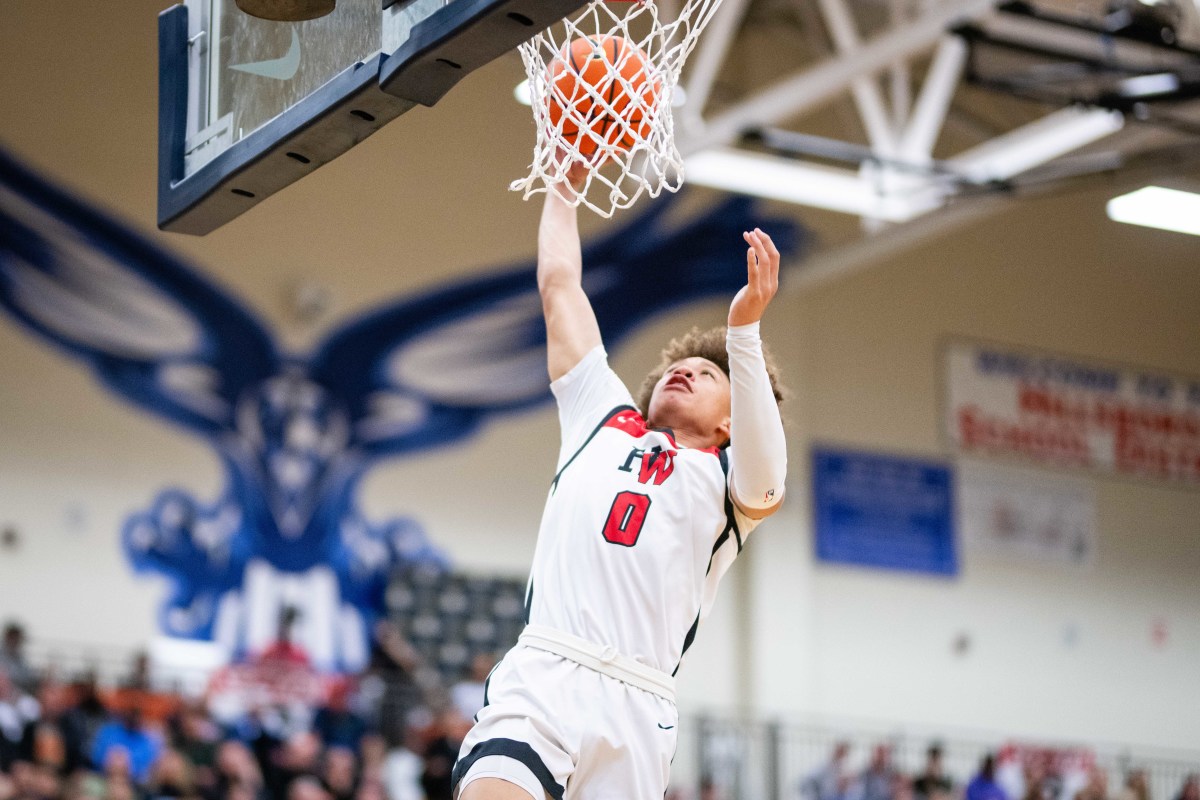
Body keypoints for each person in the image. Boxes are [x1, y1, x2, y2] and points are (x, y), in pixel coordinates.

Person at [451, 164, 787, 800]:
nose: (682, 373)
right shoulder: (600, 417)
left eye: (705, 376)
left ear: (732, 425)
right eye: (676, 369)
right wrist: (562, 185)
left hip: (638, 705)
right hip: (546, 671)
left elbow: (769, 471)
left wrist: (743, 331)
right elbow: (559, 288)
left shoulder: (728, 482)